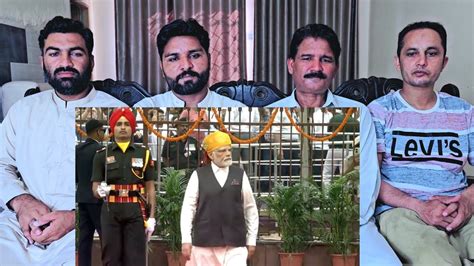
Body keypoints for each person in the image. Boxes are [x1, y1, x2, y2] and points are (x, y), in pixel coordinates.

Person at [267, 23, 401, 265]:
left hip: (350, 222)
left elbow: (369, 179)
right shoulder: (269, 116)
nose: (316, 68)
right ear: (291, 65)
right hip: (285, 223)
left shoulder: (357, 112)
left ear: (335, 67)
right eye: (307, 58)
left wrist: (341, 221)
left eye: (325, 60)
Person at [0, 16, 124, 265]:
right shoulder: (23, 110)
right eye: (54, 53)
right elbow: (1, 163)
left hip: (85, 227)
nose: (64, 63)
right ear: (43, 61)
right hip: (18, 224)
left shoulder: (117, 114)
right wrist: (21, 202)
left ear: (91, 60)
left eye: (76, 53)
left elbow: (128, 185)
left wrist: (74, 217)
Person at [368, 21, 474, 265]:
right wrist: (420, 207)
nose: (422, 61)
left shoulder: (464, 112)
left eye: (432, 53)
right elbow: (371, 180)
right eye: (412, 53)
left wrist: (467, 201)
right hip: (402, 213)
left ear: (444, 62)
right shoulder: (379, 112)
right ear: (398, 61)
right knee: (436, 259)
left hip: (461, 212)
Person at [180, 130, 259, 265]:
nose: (228, 154)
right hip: (205, 245)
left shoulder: (239, 174)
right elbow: (188, 208)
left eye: (229, 150)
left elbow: (250, 209)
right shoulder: (198, 175)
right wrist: (186, 239)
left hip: (235, 245)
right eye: (222, 151)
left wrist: (251, 239)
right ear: (210, 155)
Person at [91, 108, 156, 266]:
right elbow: (94, 187)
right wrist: (99, 192)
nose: (122, 127)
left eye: (127, 123)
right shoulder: (101, 154)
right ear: (112, 128)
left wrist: (152, 216)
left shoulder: (144, 153)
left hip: (135, 210)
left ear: (132, 128)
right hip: (110, 210)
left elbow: (150, 188)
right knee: (111, 258)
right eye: (119, 123)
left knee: (135, 259)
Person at [134, 18, 245, 108]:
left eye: (195, 56)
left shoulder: (238, 112)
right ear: (162, 67)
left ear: (209, 59)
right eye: (173, 59)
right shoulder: (144, 111)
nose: (186, 66)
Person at [76, 119, 106, 266]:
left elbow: (75, 176)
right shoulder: (100, 151)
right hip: (97, 199)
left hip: (82, 198)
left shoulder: (78, 150)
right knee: (104, 235)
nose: (104, 134)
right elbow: (105, 175)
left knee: (84, 238)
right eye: (104, 130)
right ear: (97, 131)